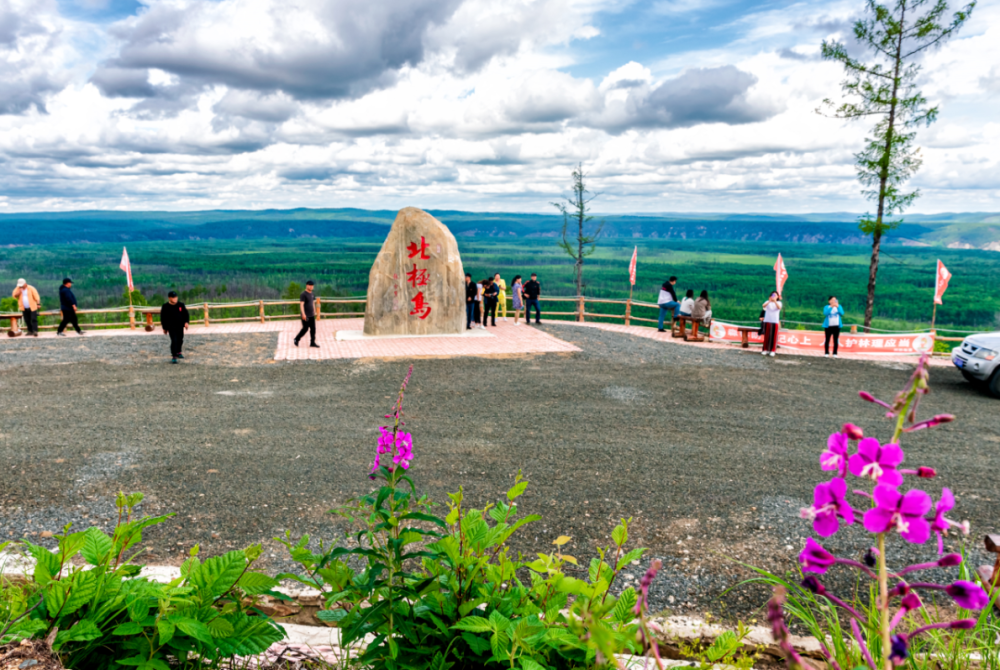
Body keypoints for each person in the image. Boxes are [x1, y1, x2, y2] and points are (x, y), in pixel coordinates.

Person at [160, 291, 190, 364]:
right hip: (171, 327)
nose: (175, 299)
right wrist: (164, 328)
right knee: (174, 340)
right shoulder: (165, 306)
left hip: (180, 326)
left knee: (180, 340)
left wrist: (186, 322)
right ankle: (174, 356)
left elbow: (186, 314)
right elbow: (163, 318)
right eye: (173, 297)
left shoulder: (181, 305)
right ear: (169, 298)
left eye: (176, 297)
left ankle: (179, 352)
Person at [294, 280, 319, 348]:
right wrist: (303, 314)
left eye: (312, 285)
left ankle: (312, 342)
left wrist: (314, 310)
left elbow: (313, 302)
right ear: (307, 285)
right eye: (309, 285)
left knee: (313, 329)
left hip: (311, 315)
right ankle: (296, 339)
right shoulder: (303, 294)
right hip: (305, 314)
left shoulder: (312, 294)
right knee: (305, 328)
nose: (311, 287)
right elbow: (301, 304)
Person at [761, 292, 782, 357]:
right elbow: (763, 306)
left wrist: (775, 301)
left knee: (774, 336)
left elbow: (779, 308)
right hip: (767, 320)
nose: (773, 296)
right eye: (772, 295)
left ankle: (773, 350)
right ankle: (765, 349)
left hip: (775, 321)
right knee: (767, 336)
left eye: (775, 295)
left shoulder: (779, 303)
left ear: (777, 297)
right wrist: (770, 301)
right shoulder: (767, 302)